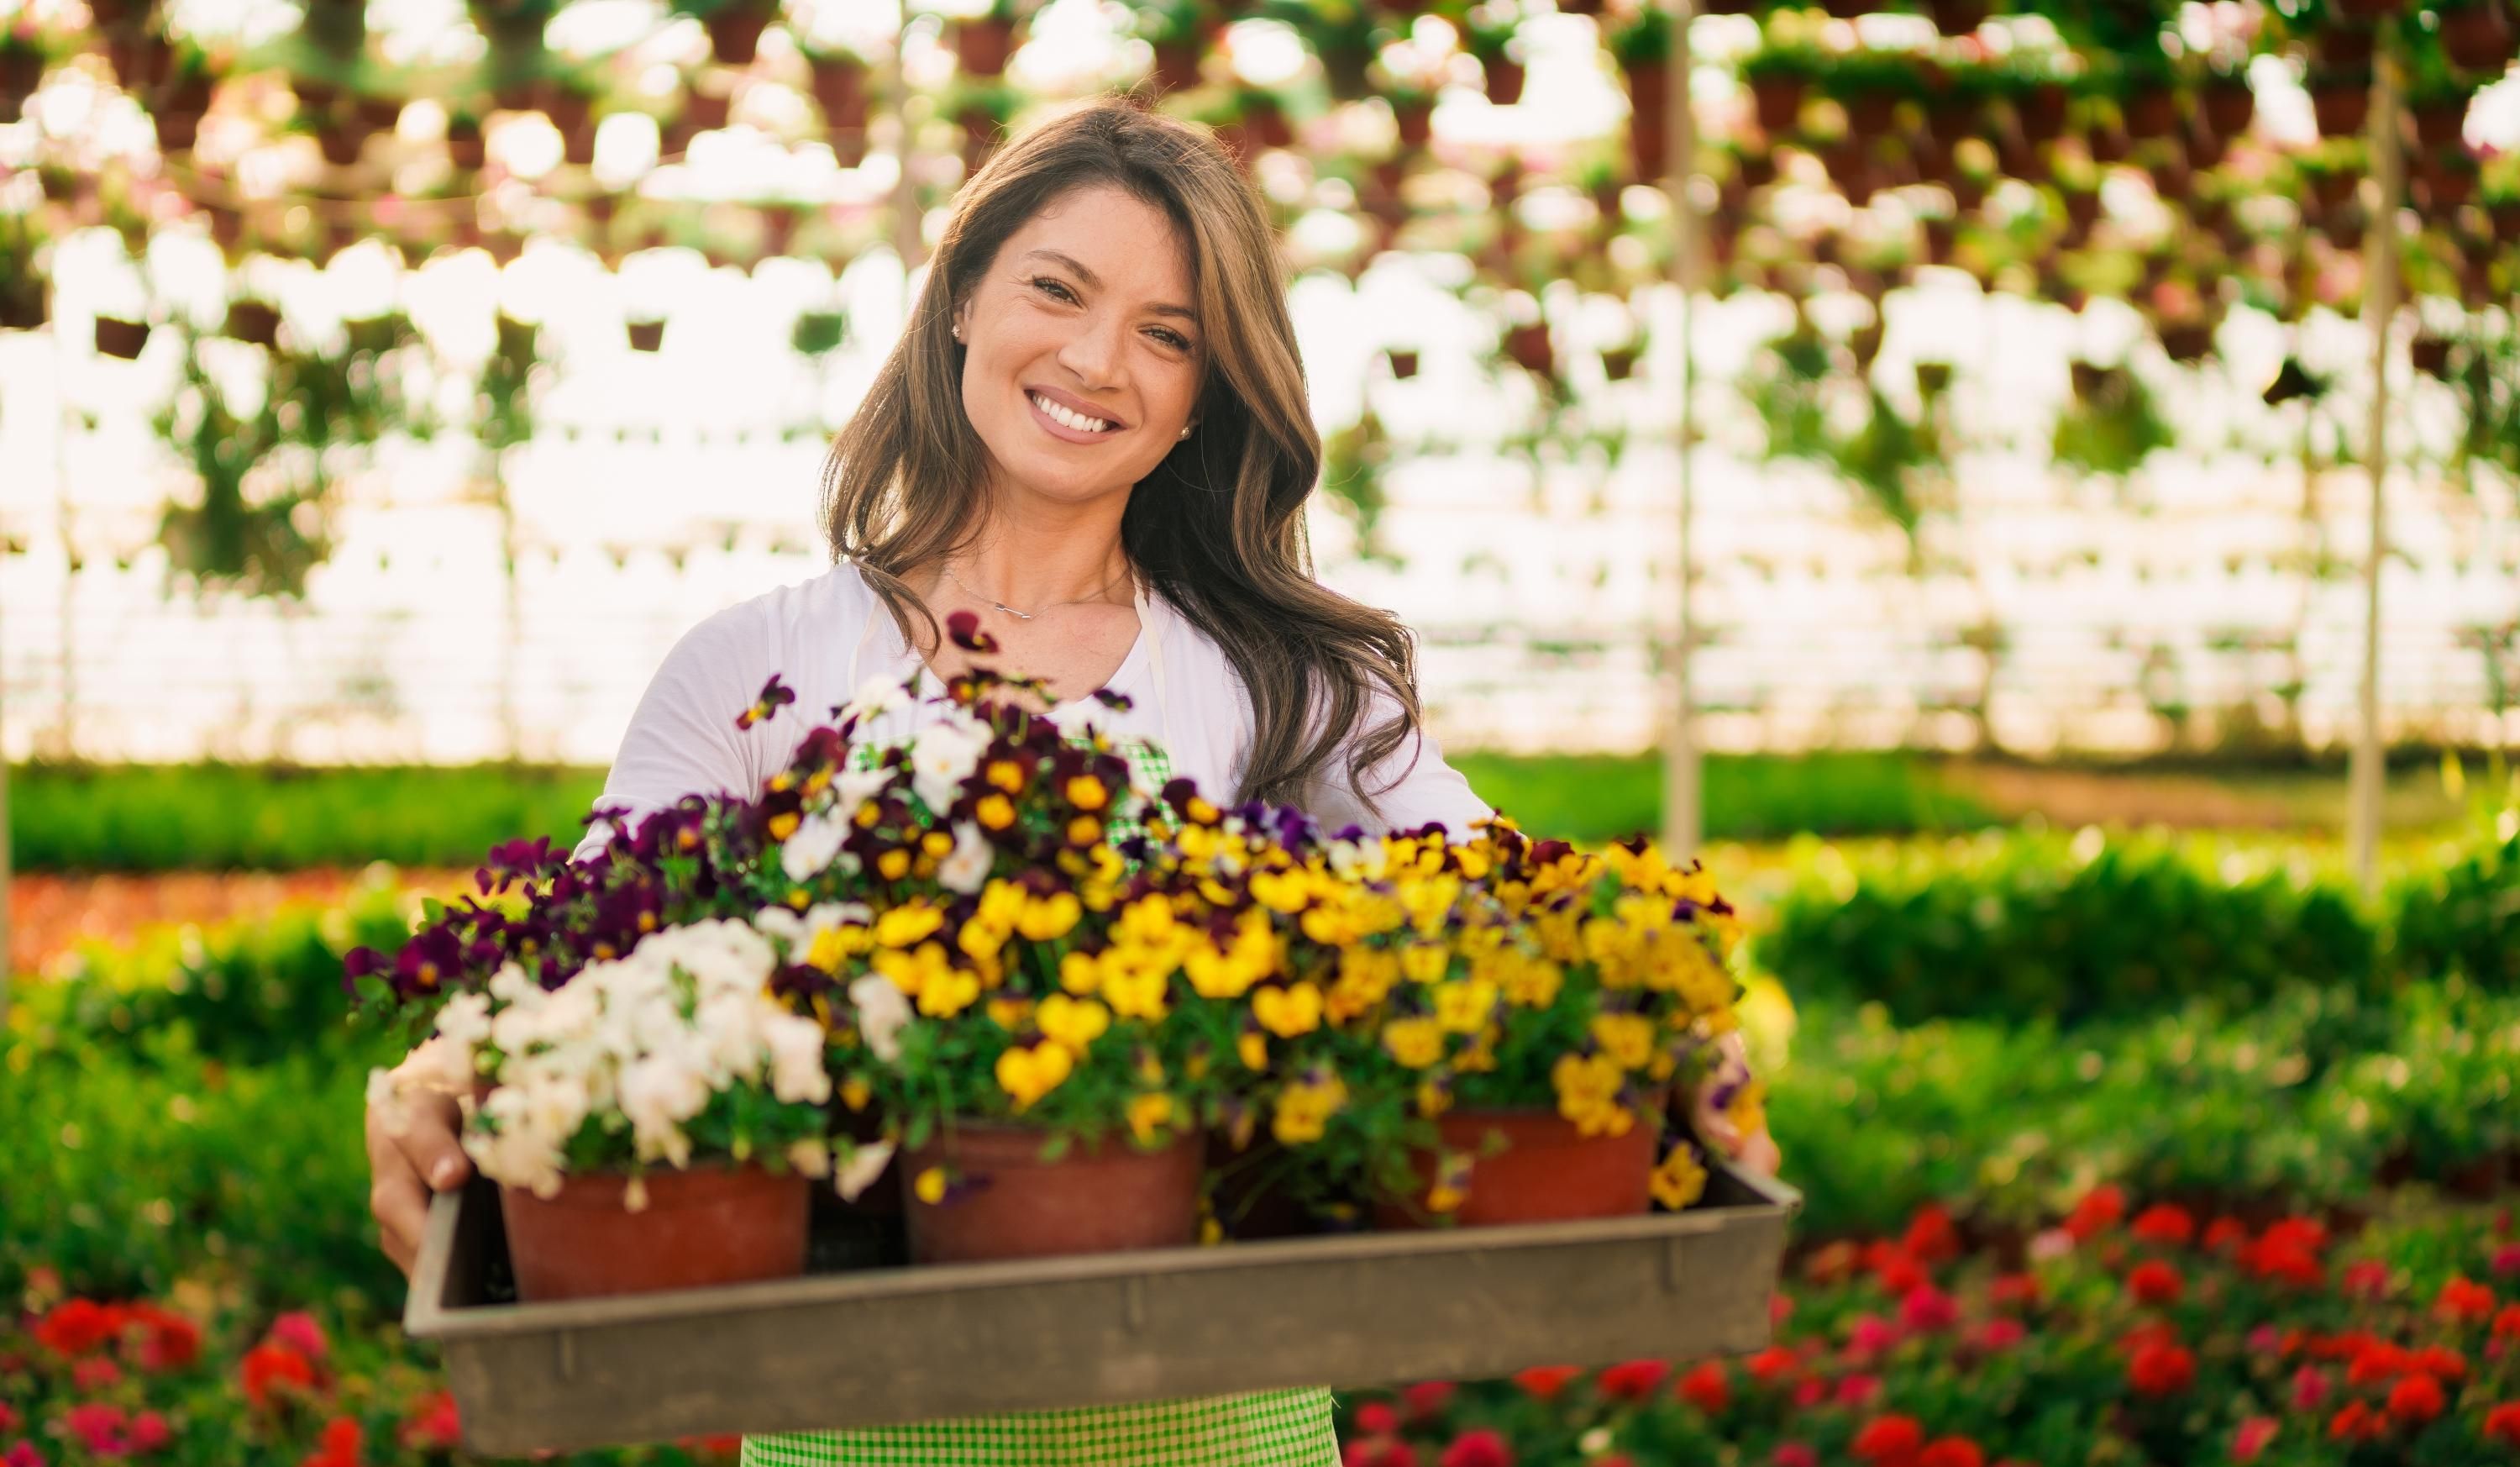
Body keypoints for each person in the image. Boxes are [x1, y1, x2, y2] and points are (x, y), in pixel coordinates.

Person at [365, 93, 1777, 1467]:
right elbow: (579, 972)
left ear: (1203, 399)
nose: (1100, 359)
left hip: (1220, 1435)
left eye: (1169, 334)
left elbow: (1509, 902)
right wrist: (441, 1073)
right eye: (1058, 289)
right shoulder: (756, 669)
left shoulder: (1285, 683)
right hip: (860, 1437)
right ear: (961, 299)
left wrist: (1672, 1035)